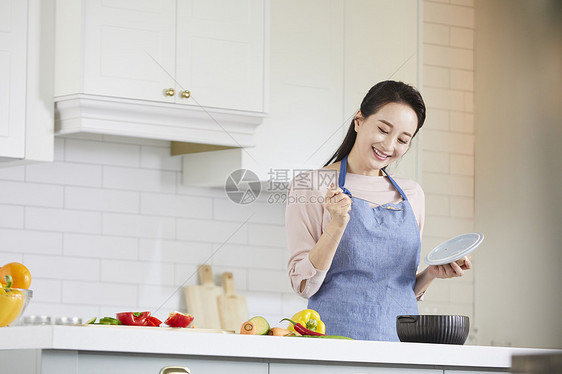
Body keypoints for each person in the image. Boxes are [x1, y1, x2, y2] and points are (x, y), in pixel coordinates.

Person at [285, 80, 472, 341]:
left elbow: (398, 289)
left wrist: (431, 273)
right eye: (383, 130)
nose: (389, 145)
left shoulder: (412, 195)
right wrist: (336, 226)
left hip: (400, 350)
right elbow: (303, 285)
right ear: (359, 121)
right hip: (334, 348)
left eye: (403, 140)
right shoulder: (312, 185)